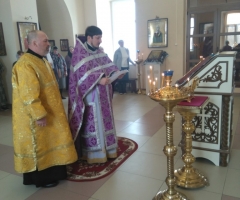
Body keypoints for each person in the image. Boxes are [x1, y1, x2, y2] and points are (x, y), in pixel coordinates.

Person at [12, 30, 78, 188]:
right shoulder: (25, 64)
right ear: (34, 43)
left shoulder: (41, 60)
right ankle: (42, 178)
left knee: (52, 141)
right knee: (41, 145)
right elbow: (28, 94)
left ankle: (56, 170)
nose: (49, 44)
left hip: (52, 112)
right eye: (46, 41)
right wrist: (39, 114)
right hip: (37, 117)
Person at [68, 26, 124, 164]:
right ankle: (95, 153)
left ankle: (108, 149)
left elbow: (109, 65)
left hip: (104, 95)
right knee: (96, 122)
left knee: (106, 121)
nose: (100, 41)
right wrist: (99, 79)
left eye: (100, 37)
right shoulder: (80, 54)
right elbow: (80, 76)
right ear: (89, 38)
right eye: (98, 38)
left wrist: (116, 73)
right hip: (91, 96)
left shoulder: (99, 51)